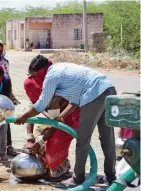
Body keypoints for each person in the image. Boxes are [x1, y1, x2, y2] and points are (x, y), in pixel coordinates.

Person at [15, 55, 117, 185]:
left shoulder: (51, 76)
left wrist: (23, 117)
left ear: (40, 71)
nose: (34, 78)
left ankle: (77, 179)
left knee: (82, 140)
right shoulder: (62, 68)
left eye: (34, 75)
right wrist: (62, 115)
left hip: (95, 95)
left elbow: (40, 105)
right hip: (109, 89)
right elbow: (75, 101)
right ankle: (111, 177)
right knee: (107, 138)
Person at [23, 57, 81, 180]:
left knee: (53, 143)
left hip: (68, 116)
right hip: (53, 117)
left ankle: (60, 166)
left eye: (35, 74)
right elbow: (32, 108)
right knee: (39, 138)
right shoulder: (31, 84)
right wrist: (30, 136)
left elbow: (57, 121)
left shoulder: (54, 83)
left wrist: (40, 142)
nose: (33, 78)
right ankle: (49, 163)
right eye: (31, 75)